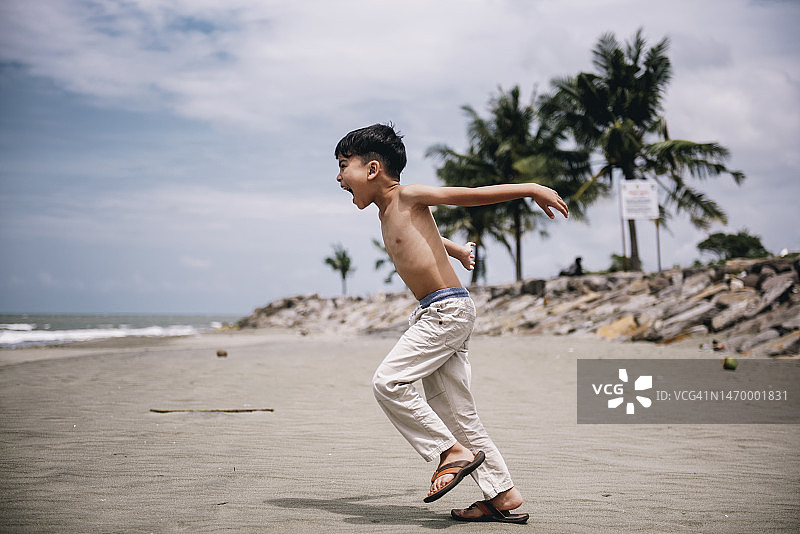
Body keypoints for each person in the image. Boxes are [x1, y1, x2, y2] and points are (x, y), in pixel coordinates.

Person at [334, 123, 569, 524]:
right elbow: (421, 235)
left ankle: (449, 452)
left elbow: (469, 195)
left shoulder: (407, 195)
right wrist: (456, 250)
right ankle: (502, 494)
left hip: (445, 312)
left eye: (343, 166)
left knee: (388, 382)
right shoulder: (387, 213)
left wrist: (530, 189)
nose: (339, 178)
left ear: (372, 169)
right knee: (457, 414)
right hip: (441, 311)